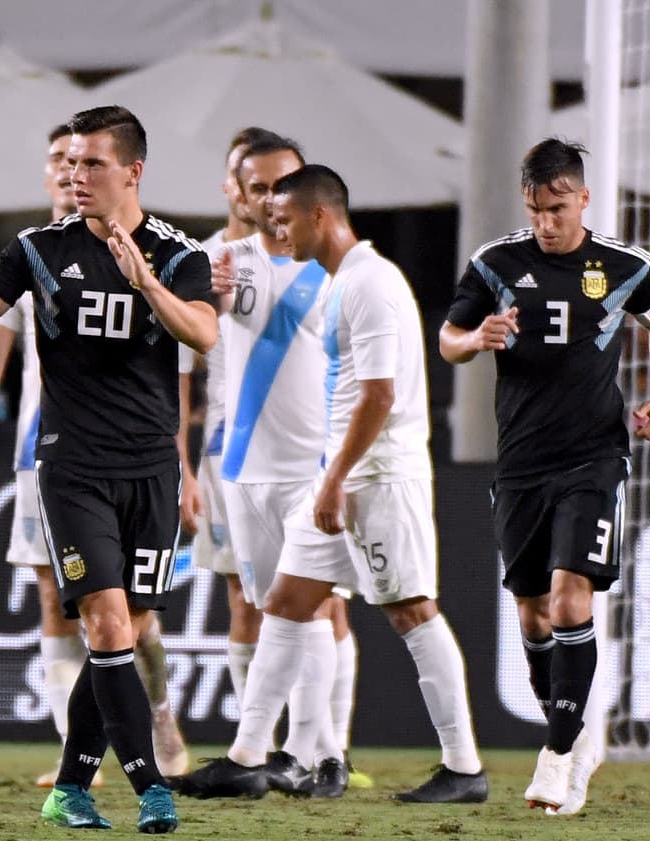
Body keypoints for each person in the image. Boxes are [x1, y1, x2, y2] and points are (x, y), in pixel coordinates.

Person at [0, 106, 216, 834]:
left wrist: (145, 282)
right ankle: (152, 784)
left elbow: (204, 334)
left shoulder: (178, 254)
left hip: (151, 466)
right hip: (73, 467)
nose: (74, 174)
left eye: (91, 163)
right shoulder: (36, 248)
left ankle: (68, 787)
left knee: (129, 627)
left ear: (133, 171)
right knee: (105, 618)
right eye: (69, 162)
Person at [176, 165, 488, 805]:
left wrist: (335, 478)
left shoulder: (370, 285)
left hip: (377, 480)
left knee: (410, 610)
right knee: (285, 605)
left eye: (284, 217)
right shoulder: (342, 284)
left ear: (320, 216)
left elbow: (379, 395)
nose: (276, 228)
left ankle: (464, 767)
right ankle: (246, 757)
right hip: (343, 477)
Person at [440, 138, 650, 815]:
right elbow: (448, 339)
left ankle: (558, 754)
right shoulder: (495, 263)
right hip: (520, 462)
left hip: (594, 456)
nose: (546, 222)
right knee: (533, 613)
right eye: (535, 209)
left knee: (572, 597)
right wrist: (476, 337)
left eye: (557, 207)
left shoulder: (623, 266)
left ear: (582, 198)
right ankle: (575, 734)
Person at [173, 133, 371, 801]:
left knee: (314, 608)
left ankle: (321, 751)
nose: (270, 197)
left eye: (282, 184)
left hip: (315, 467)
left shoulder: (338, 271)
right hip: (238, 465)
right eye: (257, 186)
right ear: (236, 191)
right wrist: (208, 302)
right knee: (263, 606)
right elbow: (181, 364)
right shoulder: (214, 263)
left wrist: (348, 464)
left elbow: (365, 374)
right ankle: (282, 755)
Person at [176, 128, 261, 709]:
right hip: (226, 451)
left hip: (301, 451)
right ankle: (253, 744)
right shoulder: (199, 264)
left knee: (321, 598)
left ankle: (326, 748)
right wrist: (181, 467)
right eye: (245, 178)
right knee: (242, 596)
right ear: (229, 184)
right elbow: (178, 376)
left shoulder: (307, 263)